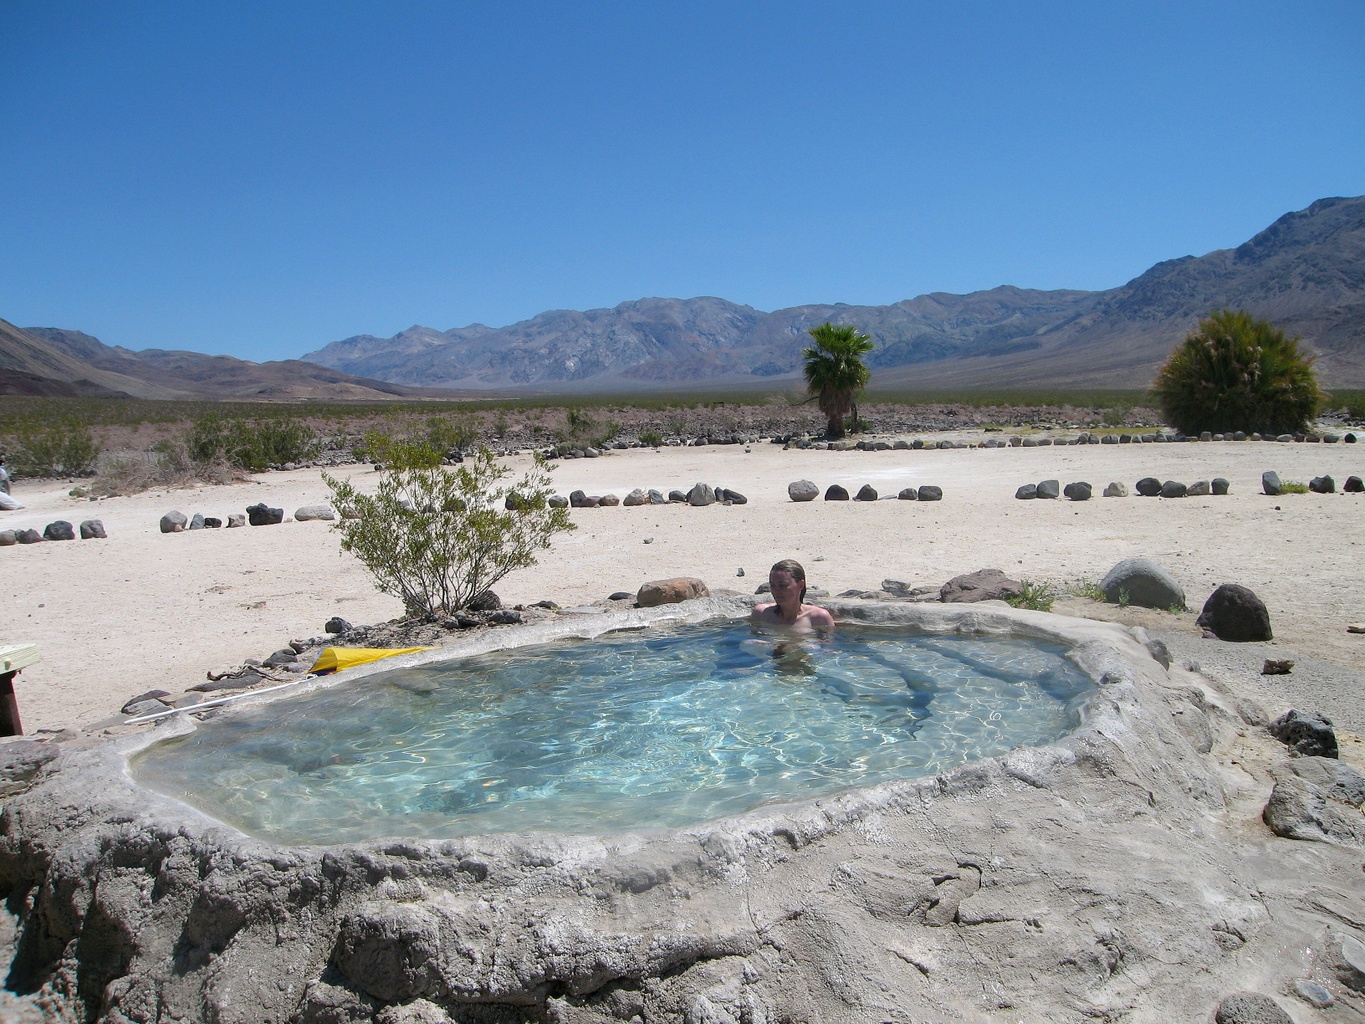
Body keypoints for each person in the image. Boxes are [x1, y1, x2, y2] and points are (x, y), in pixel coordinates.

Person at [751, 558, 835, 637]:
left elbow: (828, 648)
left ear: (800, 585)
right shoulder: (762, 613)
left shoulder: (818, 617)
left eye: (782, 585)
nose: (776, 591)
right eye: (772, 585)